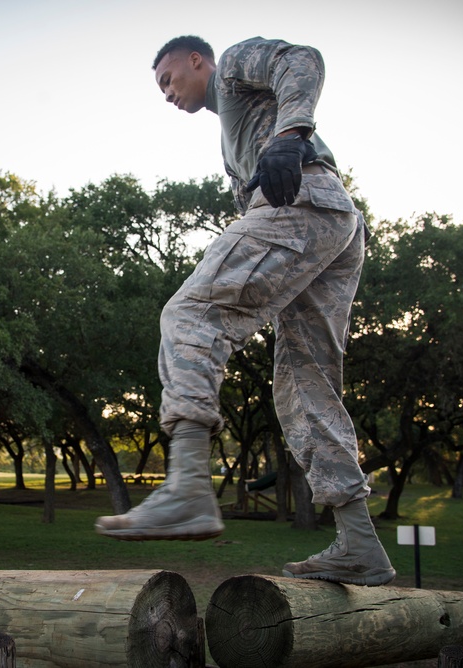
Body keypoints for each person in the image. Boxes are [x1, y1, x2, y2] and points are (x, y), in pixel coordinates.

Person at [95, 35, 395, 587]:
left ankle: (186, 487)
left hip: (303, 203)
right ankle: (360, 544)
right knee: (306, 384)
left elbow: (300, 59)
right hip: (330, 219)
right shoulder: (233, 129)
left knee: (190, 315)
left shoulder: (233, 66)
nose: (167, 93)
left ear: (196, 61)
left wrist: (291, 134)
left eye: (167, 79)